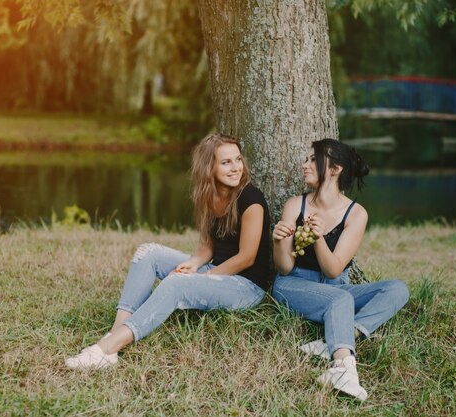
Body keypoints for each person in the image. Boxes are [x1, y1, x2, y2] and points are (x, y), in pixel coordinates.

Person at [66, 133, 272, 369]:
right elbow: (208, 245)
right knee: (148, 253)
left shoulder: (251, 199)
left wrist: (201, 278)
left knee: (177, 283)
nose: (236, 168)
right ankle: (115, 336)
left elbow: (247, 258)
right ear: (209, 168)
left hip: (245, 286)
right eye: (226, 162)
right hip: (215, 270)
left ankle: (108, 348)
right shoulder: (208, 195)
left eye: (238, 159)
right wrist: (195, 263)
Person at [272, 138, 409, 401]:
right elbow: (285, 267)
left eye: (314, 159)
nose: (305, 165)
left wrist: (318, 238)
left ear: (335, 169)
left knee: (397, 289)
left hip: (336, 288)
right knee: (341, 299)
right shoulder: (295, 205)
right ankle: (342, 368)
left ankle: (337, 337)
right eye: (306, 159)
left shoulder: (356, 214)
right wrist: (278, 240)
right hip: (294, 285)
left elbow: (334, 270)